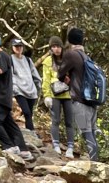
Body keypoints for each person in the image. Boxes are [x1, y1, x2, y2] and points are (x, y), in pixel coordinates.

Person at [58, 27, 98, 161]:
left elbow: (60, 74)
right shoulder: (87, 57)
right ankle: (96, 162)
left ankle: (95, 164)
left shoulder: (71, 54)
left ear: (69, 40)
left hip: (79, 101)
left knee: (86, 133)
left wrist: (65, 78)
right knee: (91, 133)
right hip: (91, 102)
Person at [42, 35, 75, 157]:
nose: (56, 49)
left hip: (68, 94)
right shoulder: (48, 61)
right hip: (54, 94)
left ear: (62, 47)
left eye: (58, 46)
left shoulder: (68, 59)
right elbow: (46, 79)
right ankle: (56, 145)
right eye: (53, 47)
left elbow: (76, 76)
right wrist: (46, 95)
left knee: (69, 122)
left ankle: (70, 148)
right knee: (55, 120)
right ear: (51, 48)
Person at [9, 38, 42, 132]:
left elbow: (35, 74)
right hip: (19, 90)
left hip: (31, 90)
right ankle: (32, 131)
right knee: (26, 112)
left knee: (29, 113)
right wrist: (14, 88)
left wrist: (38, 86)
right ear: (12, 47)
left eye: (20, 46)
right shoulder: (10, 59)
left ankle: (30, 132)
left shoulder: (27, 60)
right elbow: (11, 75)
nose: (18, 48)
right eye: (16, 46)